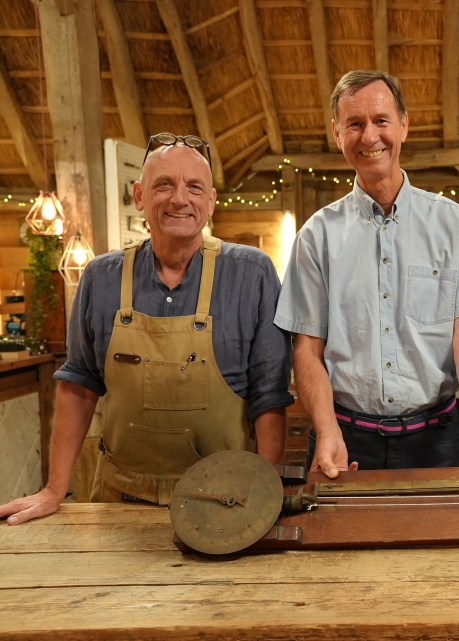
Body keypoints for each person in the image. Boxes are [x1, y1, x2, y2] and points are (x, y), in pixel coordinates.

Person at [0, 133, 293, 524]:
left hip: (224, 504)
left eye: (194, 187)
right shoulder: (100, 278)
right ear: (139, 196)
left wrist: (266, 491)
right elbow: (79, 387)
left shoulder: (252, 274)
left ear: (211, 201)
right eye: (164, 185)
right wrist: (55, 489)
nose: (179, 199)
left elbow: (269, 396)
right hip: (120, 501)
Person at [275, 70, 459, 478]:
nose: (369, 136)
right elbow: (306, 349)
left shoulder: (454, 225)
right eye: (354, 124)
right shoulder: (316, 236)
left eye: (381, 121)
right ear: (337, 134)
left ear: (404, 126)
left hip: (436, 439)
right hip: (344, 438)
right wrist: (326, 427)